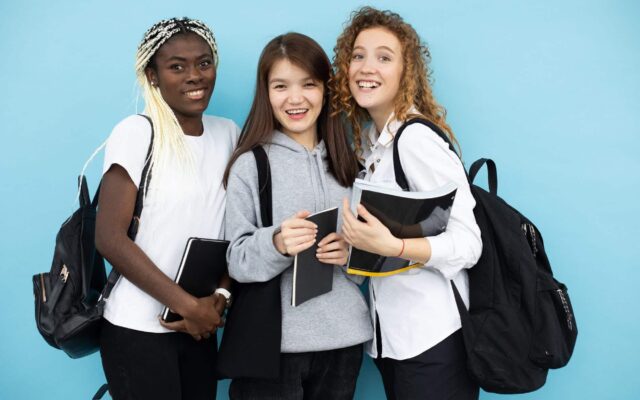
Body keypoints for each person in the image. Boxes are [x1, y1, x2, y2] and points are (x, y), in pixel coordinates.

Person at [332, 7, 482, 400]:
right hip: (392, 343)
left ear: (405, 72)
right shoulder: (371, 143)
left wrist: (393, 247)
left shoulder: (415, 140)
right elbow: (390, 238)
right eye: (359, 55)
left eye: (384, 57)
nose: (367, 67)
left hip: (433, 343)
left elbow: (468, 245)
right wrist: (351, 250)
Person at [95, 17, 240, 400]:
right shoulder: (137, 132)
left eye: (204, 63)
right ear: (153, 75)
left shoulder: (229, 134)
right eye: (177, 66)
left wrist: (217, 302)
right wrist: (187, 306)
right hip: (137, 330)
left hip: (199, 326)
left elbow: (236, 230)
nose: (195, 76)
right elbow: (109, 238)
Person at [222, 32, 372, 400]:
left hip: (344, 342)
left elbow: (375, 257)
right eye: (280, 86)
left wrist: (350, 256)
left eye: (309, 84)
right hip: (271, 349)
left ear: (326, 90)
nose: (295, 98)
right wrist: (276, 243)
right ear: (266, 93)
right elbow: (236, 259)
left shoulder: (353, 166)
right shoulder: (251, 165)